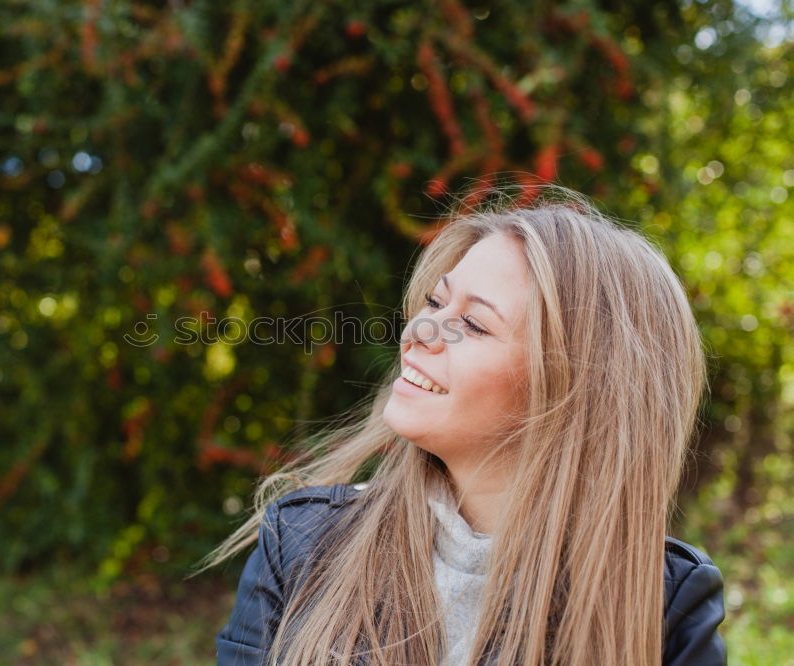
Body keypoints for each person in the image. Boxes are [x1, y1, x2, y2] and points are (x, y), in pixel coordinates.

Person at [199, 186, 727, 665]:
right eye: (434, 300)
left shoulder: (665, 604)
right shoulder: (300, 543)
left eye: (472, 324)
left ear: (573, 388)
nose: (419, 331)